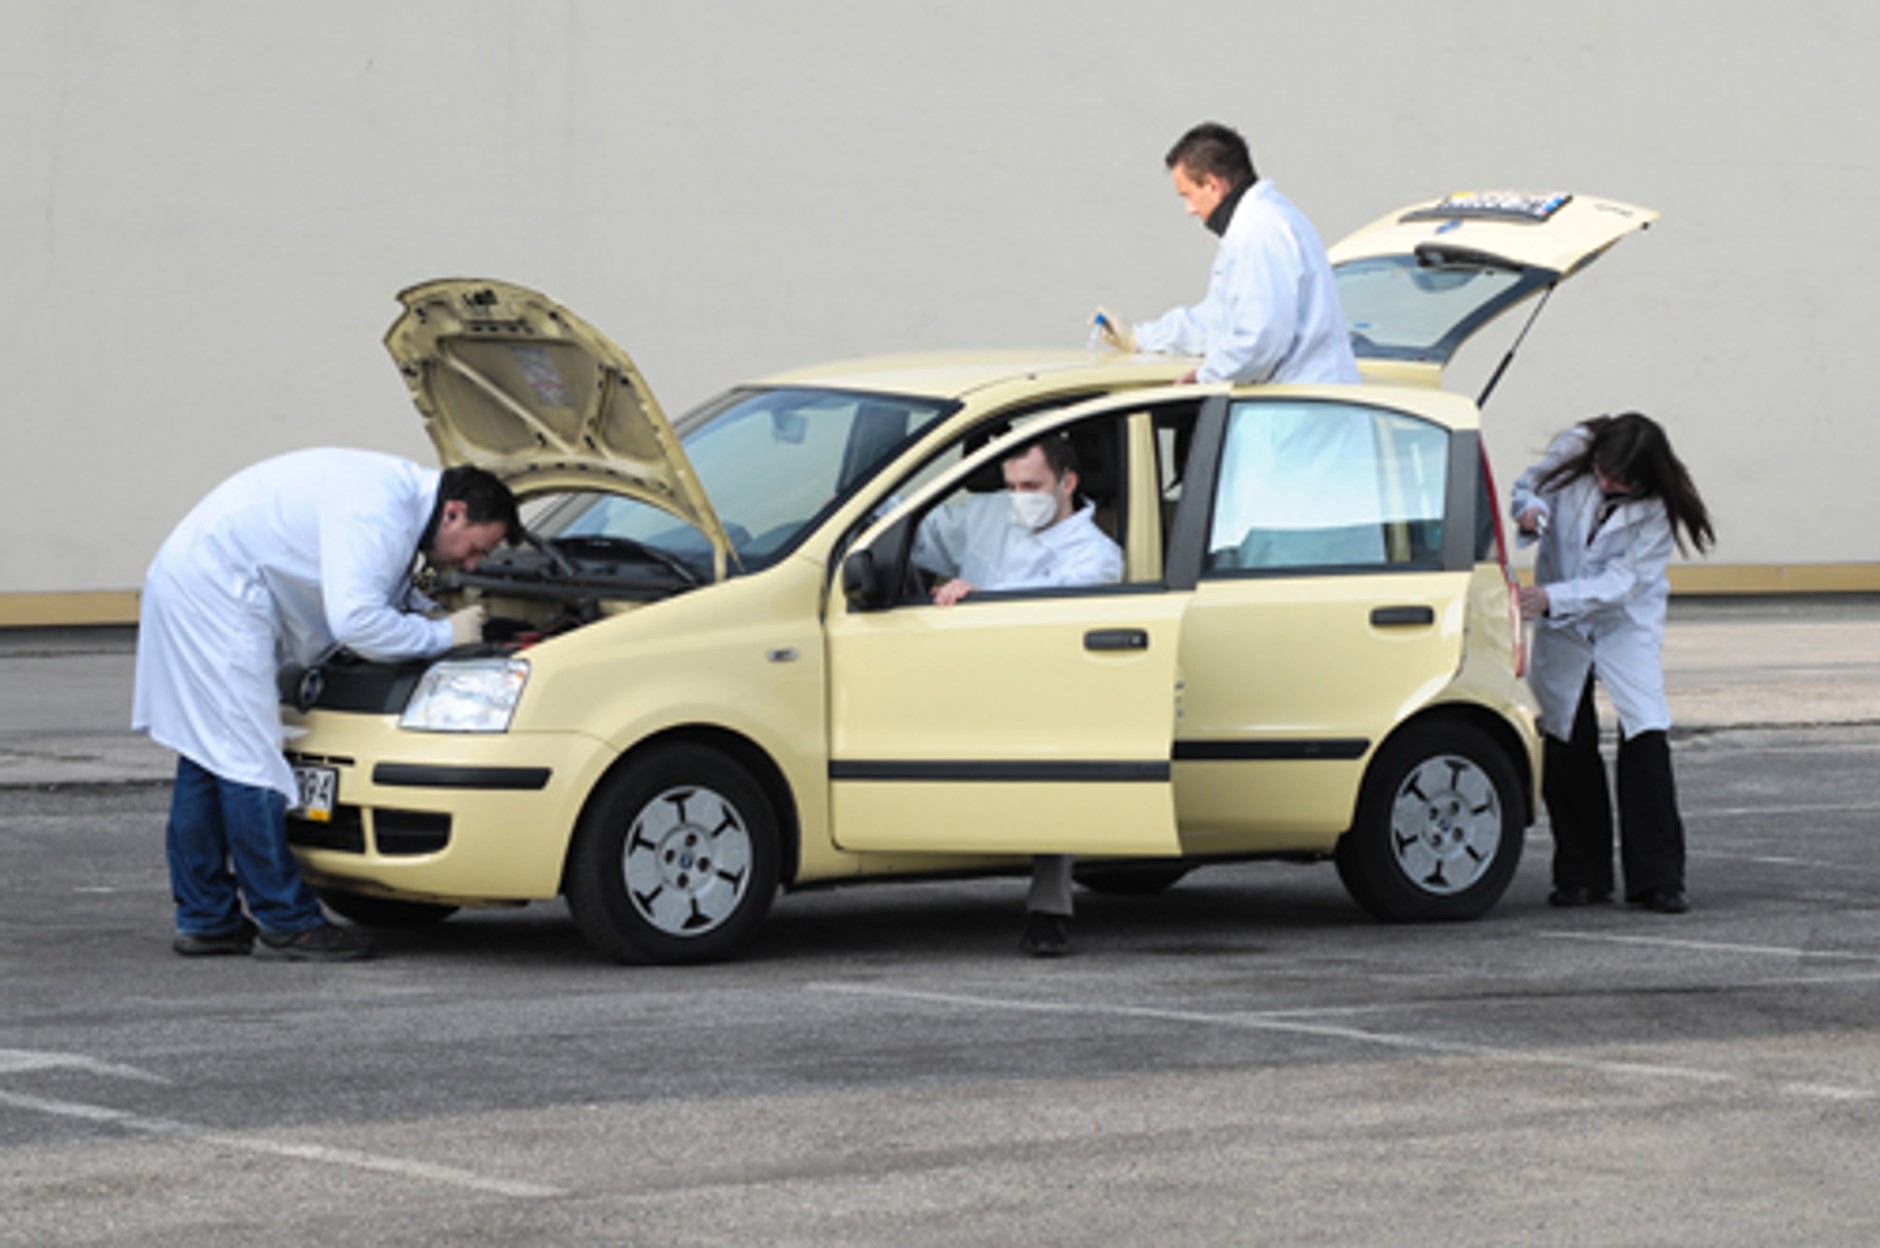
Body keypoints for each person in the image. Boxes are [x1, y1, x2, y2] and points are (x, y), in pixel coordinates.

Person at [133, 449, 520, 961]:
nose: (470, 564)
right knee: (250, 761)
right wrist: (443, 633)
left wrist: (431, 617)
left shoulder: (398, 501)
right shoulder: (380, 510)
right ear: (454, 512)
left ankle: (206, 918)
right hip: (218, 595)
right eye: (475, 548)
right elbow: (357, 622)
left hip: (197, 579)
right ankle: (287, 922)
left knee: (209, 757)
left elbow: (380, 591)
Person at [911, 435, 1122, 956]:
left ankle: (1047, 912)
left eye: (1032, 486)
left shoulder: (1098, 557)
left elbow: (1052, 612)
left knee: (1051, 775)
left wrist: (980, 600)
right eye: (1011, 486)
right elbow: (917, 531)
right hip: (970, 680)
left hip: (1047, 694)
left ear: (1067, 483)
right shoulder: (988, 515)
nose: (1019, 497)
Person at [1511, 412, 1714, 914]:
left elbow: (1622, 583)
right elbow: (1527, 487)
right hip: (1561, 621)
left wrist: (1552, 597)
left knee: (1645, 730)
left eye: (1619, 480)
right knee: (1563, 734)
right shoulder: (1575, 447)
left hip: (1624, 620)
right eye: (1601, 472)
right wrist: (1531, 510)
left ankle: (1659, 878)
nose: (1605, 484)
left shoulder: (1657, 510)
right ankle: (1581, 874)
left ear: (1647, 476)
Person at [1093, 120, 1359, 387]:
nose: (1190, 210)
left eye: (1188, 195)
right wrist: (1141, 338)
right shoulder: (1268, 220)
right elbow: (1217, 321)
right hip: (1304, 412)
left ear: (1213, 185)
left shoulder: (1256, 232)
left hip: (1299, 417)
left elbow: (1259, 339)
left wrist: (1204, 377)